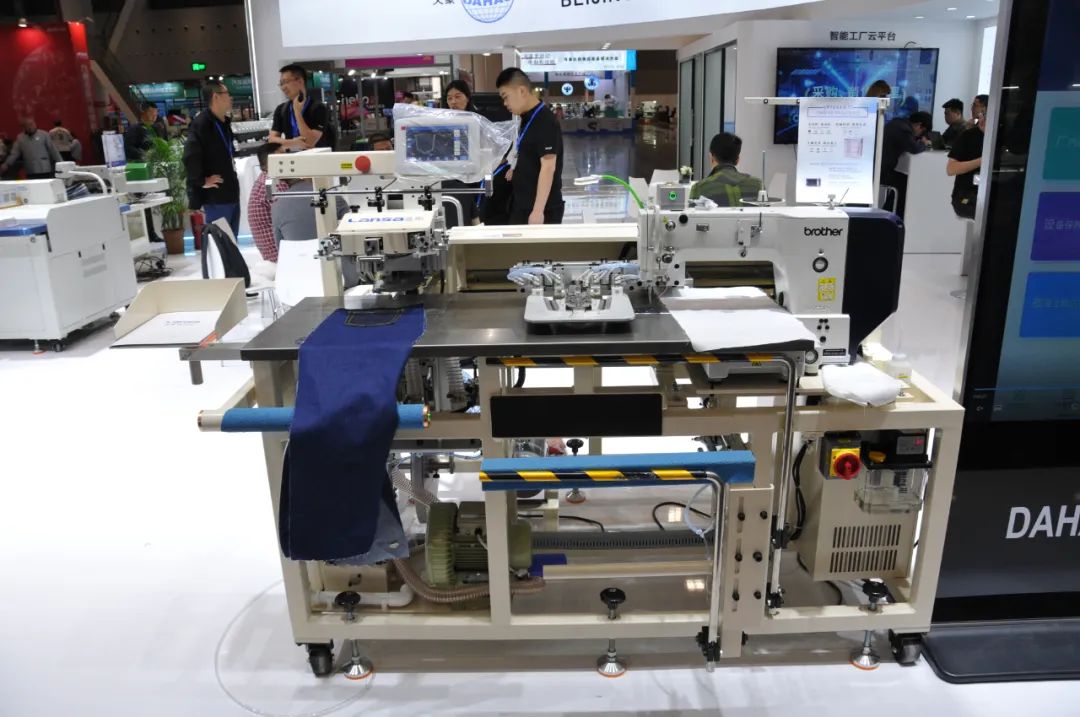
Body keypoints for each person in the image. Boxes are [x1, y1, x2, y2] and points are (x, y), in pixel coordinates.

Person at [496, 67, 565, 225]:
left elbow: (548, 167)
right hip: (523, 202)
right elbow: (530, 152)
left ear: (521, 91)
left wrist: (538, 211)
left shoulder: (545, 120)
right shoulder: (526, 118)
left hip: (541, 209)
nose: (505, 103)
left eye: (506, 97)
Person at [183, 81, 241, 238]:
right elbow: (190, 155)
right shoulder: (202, 124)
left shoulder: (223, 123)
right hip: (216, 196)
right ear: (216, 97)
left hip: (231, 190)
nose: (230, 98)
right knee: (220, 241)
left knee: (231, 241)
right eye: (227, 94)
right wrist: (201, 181)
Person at [441, 80, 481, 227]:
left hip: (475, 179)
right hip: (452, 180)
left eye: (458, 97)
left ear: (467, 98)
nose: (453, 102)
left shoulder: (479, 122)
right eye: (449, 98)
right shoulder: (441, 124)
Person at [269, 64, 335, 151]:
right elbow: (272, 140)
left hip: (316, 157)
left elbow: (310, 142)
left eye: (286, 82)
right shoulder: (281, 109)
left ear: (300, 81)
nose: (283, 87)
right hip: (292, 157)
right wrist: (293, 142)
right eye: (281, 84)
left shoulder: (318, 108)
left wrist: (297, 112)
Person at [880, 110, 932, 217]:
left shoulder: (897, 123)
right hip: (882, 171)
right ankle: (896, 215)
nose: (920, 134)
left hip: (880, 168)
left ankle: (889, 212)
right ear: (919, 125)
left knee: (902, 182)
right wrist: (924, 143)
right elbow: (914, 148)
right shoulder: (904, 130)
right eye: (922, 132)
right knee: (906, 183)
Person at [690, 132, 763, 207]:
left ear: (711, 158)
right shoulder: (758, 186)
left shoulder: (699, 188)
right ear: (737, 160)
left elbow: (691, 213)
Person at [947, 95, 988, 219]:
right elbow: (951, 169)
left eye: (975, 105)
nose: (972, 109)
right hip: (968, 196)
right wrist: (983, 161)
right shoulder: (968, 135)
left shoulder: (1003, 137)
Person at [247, 143, 287, 262]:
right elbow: (289, 215)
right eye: (281, 156)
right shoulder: (273, 183)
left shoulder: (265, 178)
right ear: (267, 163)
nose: (287, 159)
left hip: (273, 249)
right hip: (278, 254)